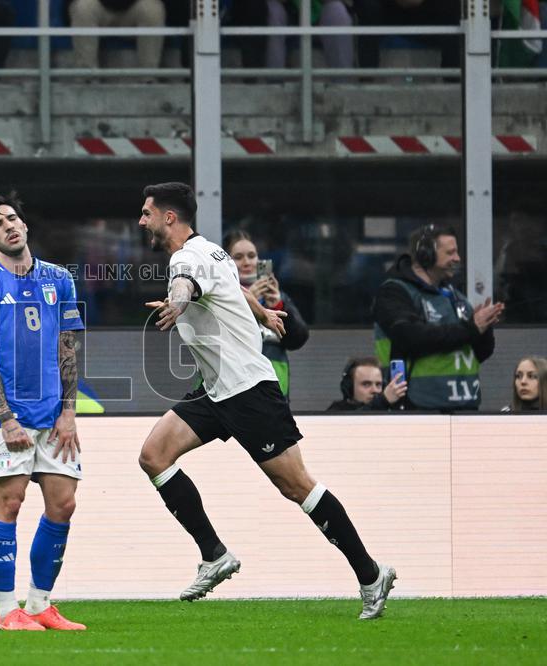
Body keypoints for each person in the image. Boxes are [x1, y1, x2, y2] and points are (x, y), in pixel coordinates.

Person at [136, 182, 396, 620]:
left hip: (249, 392)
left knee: (297, 486)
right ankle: (214, 554)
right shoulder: (212, 251)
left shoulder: (185, 259)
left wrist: (177, 305)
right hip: (215, 390)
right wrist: (263, 313)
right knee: (153, 455)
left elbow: (185, 286)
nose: (140, 220)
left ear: (168, 217)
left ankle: (371, 575)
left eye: (146, 213)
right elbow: (233, 288)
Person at [0, 192, 87, 632]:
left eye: (13, 218)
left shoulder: (60, 279)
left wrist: (68, 412)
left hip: (55, 417)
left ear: (26, 225)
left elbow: (67, 347)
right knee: (9, 503)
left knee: (63, 504)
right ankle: (4, 611)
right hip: (9, 418)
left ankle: (38, 605)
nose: (9, 226)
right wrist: (7, 418)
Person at [373, 224, 504, 411]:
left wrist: (484, 328)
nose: (457, 258)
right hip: (417, 410)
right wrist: (471, 328)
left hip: (466, 409)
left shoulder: (455, 296)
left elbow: (480, 353)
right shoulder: (394, 292)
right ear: (426, 254)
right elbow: (409, 336)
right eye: (450, 253)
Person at [224, 230, 309, 398]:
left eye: (252, 256)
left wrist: (278, 305)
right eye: (238, 257)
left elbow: (298, 339)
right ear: (227, 263)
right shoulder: (220, 296)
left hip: (274, 393)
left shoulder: (279, 297)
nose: (247, 262)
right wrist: (248, 303)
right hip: (231, 392)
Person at [352, 0, 461, 70]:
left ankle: (454, 81)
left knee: (455, 7)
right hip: (386, 9)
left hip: (426, 10)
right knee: (368, 5)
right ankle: (367, 78)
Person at [66, 0, 166, 69]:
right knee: (83, 8)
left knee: (153, 10)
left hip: (133, 8)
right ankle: (86, 78)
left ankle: (148, 78)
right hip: (97, 8)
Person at [266, 0, 355, 69]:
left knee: (337, 12)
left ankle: (342, 85)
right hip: (285, 11)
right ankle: (273, 84)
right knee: (272, 12)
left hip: (322, 11)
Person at [327, 356, 407, 411]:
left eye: (378, 385)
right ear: (349, 387)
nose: (375, 390)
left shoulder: (388, 408)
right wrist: (383, 401)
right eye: (366, 384)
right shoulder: (336, 412)